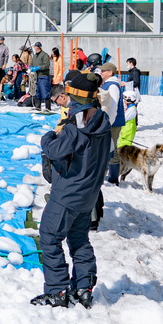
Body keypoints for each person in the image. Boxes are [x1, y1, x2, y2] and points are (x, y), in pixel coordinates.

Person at [32, 70, 113, 309]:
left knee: (49, 237)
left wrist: (47, 137)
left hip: (67, 193)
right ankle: (84, 288)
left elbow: (55, 151)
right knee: (79, 239)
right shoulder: (102, 120)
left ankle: (57, 291)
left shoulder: (75, 126)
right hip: (89, 194)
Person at [98, 62, 126, 188]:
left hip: (113, 122)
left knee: (110, 148)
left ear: (110, 72)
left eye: (103, 71)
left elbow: (113, 106)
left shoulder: (113, 86)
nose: (101, 72)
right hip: (113, 121)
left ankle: (113, 178)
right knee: (110, 148)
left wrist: (109, 122)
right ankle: (112, 176)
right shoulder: (110, 84)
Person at [31, 42, 53, 112]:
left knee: (45, 91)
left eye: (35, 46)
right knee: (38, 92)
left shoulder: (45, 55)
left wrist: (38, 68)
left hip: (43, 76)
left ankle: (48, 107)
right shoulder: (35, 56)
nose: (34, 48)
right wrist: (31, 67)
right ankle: (38, 106)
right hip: (36, 76)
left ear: (38, 47)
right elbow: (32, 63)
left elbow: (46, 65)